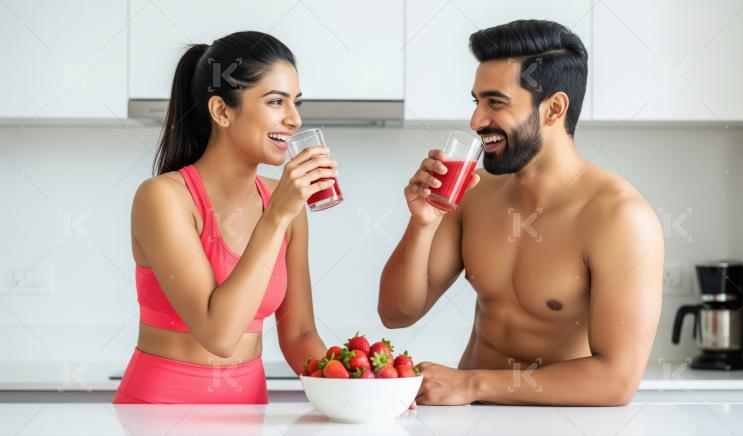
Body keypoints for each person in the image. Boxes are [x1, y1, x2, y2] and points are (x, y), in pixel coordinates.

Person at [379, 19, 664, 406]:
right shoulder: (473, 194)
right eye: (476, 102)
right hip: (469, 421)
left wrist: (473, 384)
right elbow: (397, 313)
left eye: (495, 103)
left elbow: (616, 381)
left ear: (554, 109)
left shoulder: (619, 218)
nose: (476, 121)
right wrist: (422, 223)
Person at [114, 31, 333, 404]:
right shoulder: (163, 198)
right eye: (276, 102)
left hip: (248, 409)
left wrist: (365, 382)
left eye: (296, 103)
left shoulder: (284, 206)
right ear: (221, 111)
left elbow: (299, 337)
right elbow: (218, 336)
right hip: (159, 412)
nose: (294, 119)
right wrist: (277, 215)